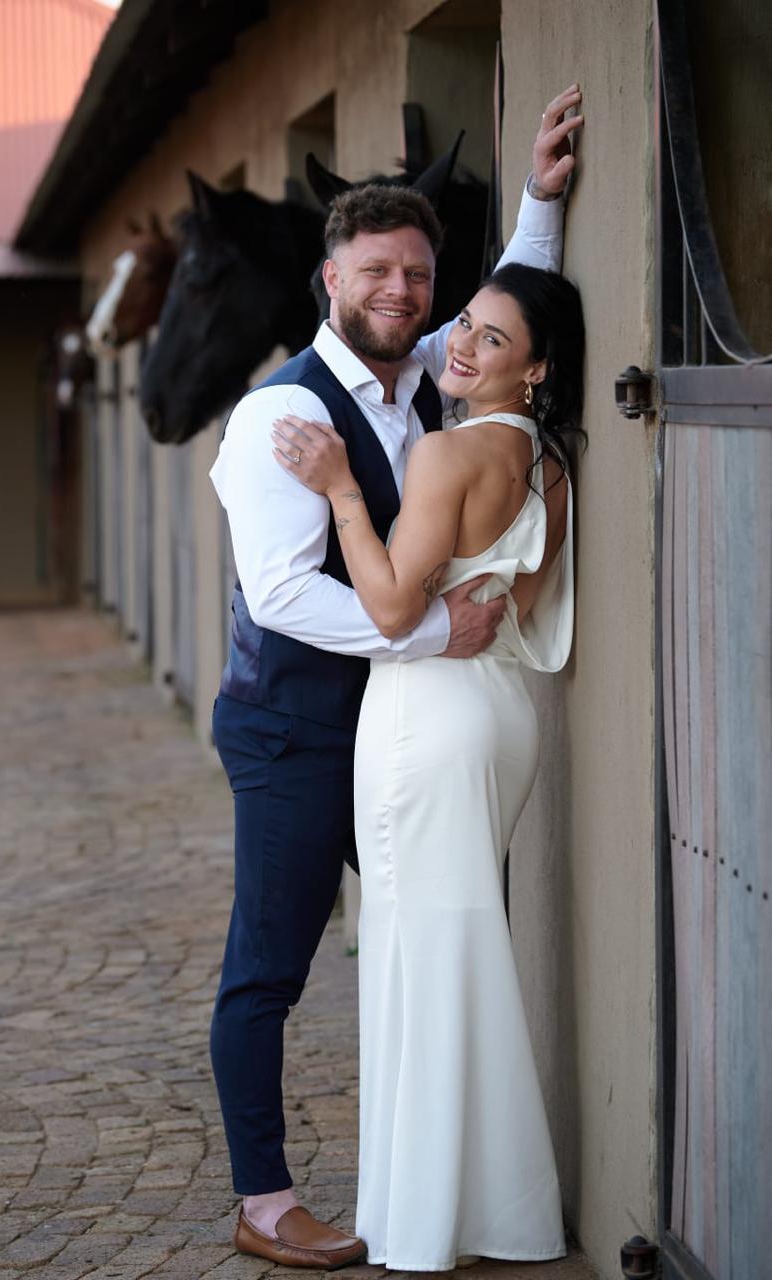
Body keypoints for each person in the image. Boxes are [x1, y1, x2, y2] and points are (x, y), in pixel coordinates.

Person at [209, 86, 584, 1269]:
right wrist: (428, 637)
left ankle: (455, 1182)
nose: (403, 295)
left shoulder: (428, 374)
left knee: (446, 937)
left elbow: (509, 319)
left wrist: (539, 193)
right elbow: (279, 595)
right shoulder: (278, 412)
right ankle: (265, 1200)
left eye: (418, 276)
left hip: (402, 731)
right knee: (270, 960)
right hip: (293, 729)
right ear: (332, 278)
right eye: (378, 271)